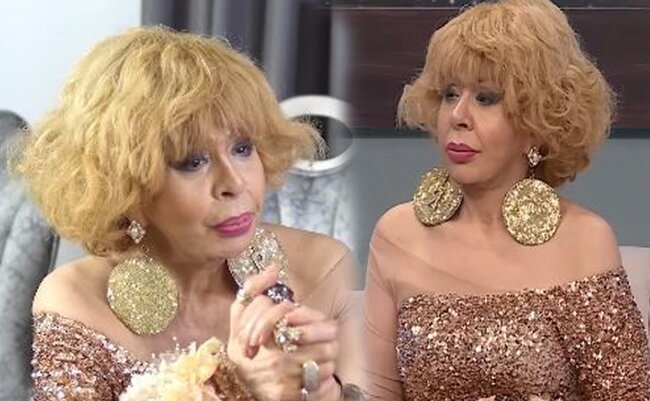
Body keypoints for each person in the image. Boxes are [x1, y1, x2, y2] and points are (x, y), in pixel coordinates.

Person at [11, 26, 363, 401]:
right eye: (192, 162)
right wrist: (230, 385)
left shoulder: (324, 268)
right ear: (126, 187)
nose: (235, 183)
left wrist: (328, 394)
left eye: (242, 148)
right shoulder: (77, 302)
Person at [361, 1, 650, 400]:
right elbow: (376, 391)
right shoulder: (396, 233)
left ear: (537, 121)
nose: (458, 115)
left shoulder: (585, 240)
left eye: (486, 98)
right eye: (449, 94)